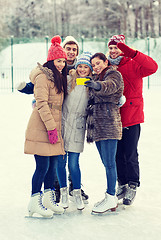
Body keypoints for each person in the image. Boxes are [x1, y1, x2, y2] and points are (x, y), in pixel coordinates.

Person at [17, 36, 89, 203]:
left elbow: (83, 82)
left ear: (77, 53)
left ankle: (72, 185)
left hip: (71, 119)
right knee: (55, 160)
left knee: (71, 159)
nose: (70, 52)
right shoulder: (52, 66)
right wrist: (28, 89)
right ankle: (55, 189)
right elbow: (40, 83)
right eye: (68, 49)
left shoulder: (80, 68)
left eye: (74, 49)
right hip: (55, 118)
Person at [107, 35, 158, 205]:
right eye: (111, 48)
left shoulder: (134, 64)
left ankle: (132, 184)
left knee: (129, 153)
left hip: (131, 117)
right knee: (116, 154)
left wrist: (133, 53)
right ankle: (121, 183)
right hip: (113, 118)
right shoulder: (107, 66)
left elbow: (153, 67)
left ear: (124, 49)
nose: (114, 51)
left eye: (117, 47)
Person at [25, 35, 67, 218]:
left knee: (53, 165)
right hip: (42, 126)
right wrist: (51, 128)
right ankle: (34, 201)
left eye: (63, 61)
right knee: (42, 166)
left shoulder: (58, 77)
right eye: (58, 61)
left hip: (53, 125)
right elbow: (41, 104)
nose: (61, 64)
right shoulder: (43, 77)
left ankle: (49, 199)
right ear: (51, 60)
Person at [85, 53, 124, 214]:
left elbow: (111, 86)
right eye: (93, 65)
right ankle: (110, 196)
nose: (96, 67)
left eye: (98, 63)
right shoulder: (96, 76)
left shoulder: (113, 73)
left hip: (109, 123)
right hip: (98, 126)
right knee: (106, 163)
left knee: (109, 163)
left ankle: (110, 196)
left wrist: (97, 86)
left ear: (105, 62)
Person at [57, 52, 92, 210]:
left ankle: (76, 193)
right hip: (63, 124)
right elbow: (53, 90)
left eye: (86, 67)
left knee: (73, 164)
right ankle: (63, 192)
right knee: (60, 162)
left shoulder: (91, 84)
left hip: (78, 126)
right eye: (80, 66)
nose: (83, 69)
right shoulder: (68, 79)